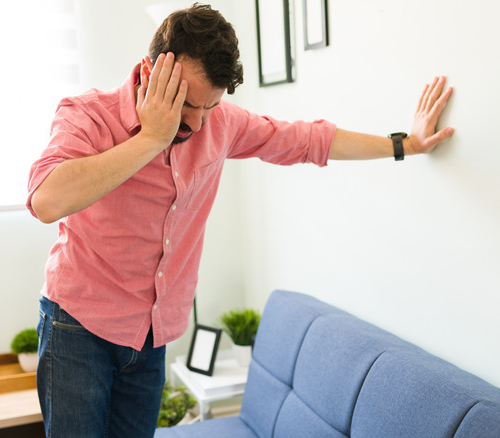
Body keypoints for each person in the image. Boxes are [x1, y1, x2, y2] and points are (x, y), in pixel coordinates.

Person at [27, 4, 453, 437]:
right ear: (149, 72)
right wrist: (153, 137)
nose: (196, 122)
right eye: (186, 105)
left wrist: (408, 144)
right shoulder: (87, 115)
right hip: (77, 326)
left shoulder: (221, 125)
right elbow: (47, 200)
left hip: (151, 336)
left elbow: (308, 140)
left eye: (209, 107)